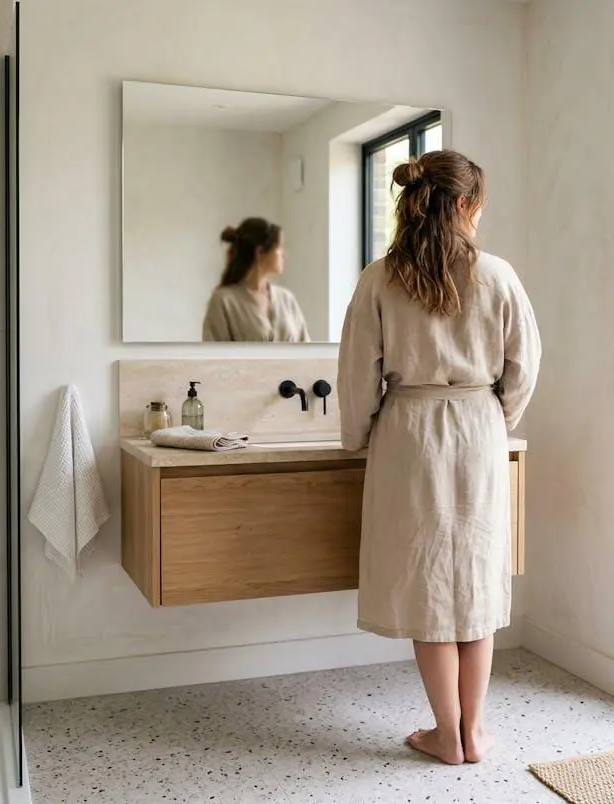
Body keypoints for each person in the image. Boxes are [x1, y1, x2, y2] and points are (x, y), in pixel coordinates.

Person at [337, 150, 541, 765]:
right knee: (475, 583)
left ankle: (444, 733)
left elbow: (355, 376)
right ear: (465, 203)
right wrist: (494, 420)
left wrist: (358, 438)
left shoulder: (380, 278)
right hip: (479, 429)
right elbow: (524, 367)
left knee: (430, 588)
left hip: (409, 433)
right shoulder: (498, 274)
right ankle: (474, 734)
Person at [202, 217, 310, 342]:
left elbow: (307, 350)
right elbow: (213, 356)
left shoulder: (287, 299)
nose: (284, 254)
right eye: (279, 248)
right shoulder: (224, 301)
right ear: (260, 252)